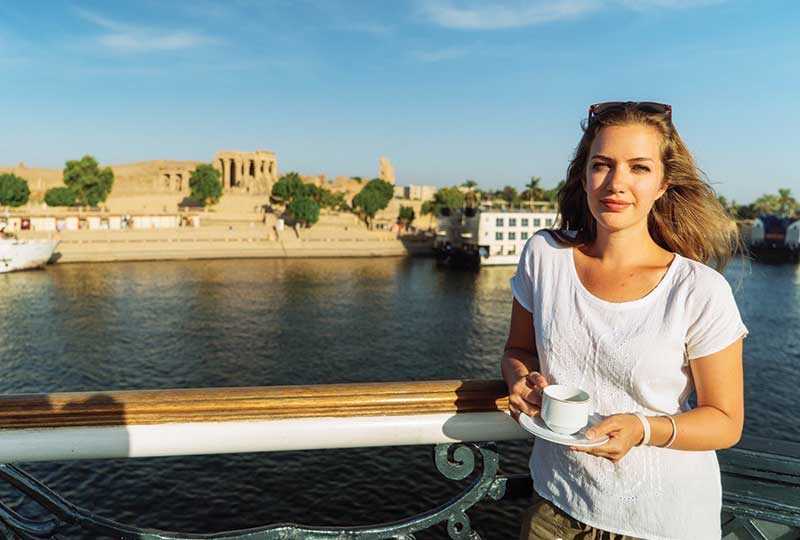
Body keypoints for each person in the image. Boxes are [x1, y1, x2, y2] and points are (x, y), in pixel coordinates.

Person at [503, 101, 748, 540]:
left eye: (638, 168)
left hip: (662, 522)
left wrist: (642, 429)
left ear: (662, 184)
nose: (616, 183)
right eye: (602, 165)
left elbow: (725, 421)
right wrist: (519, 379)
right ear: (584, 176)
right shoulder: (545, 257)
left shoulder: (698, 290)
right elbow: (517, 350)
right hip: (556, 508)